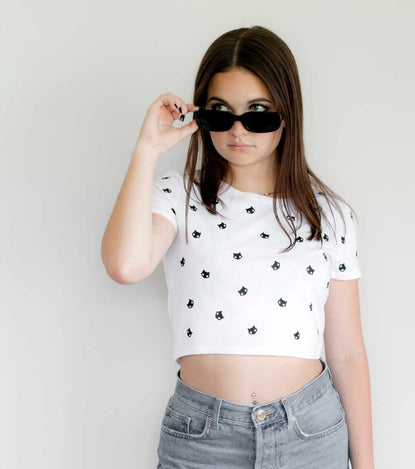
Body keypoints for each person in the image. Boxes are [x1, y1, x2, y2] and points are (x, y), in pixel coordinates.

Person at [101, 25, 374, 469]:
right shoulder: (178, 197)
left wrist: (365, 465)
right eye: (220, 113)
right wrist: (147, 149)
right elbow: (125, 266)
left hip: (310, 436)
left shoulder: (330, 214)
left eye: (258, 113)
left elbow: (347, 354)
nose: (238, 129)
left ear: (287, 113)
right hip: (202, 440)